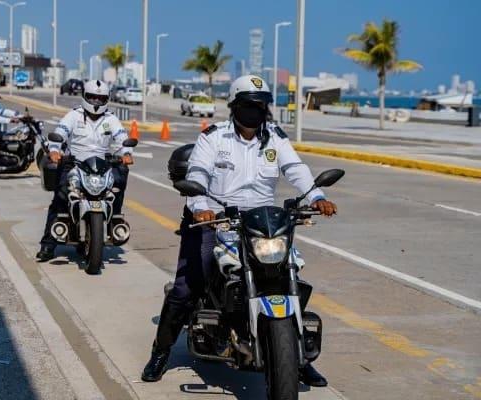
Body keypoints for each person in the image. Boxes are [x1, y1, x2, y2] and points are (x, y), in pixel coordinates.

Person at [141, 75, 338, 386]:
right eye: (249, 105)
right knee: (187, 286)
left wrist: (317, 196)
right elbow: (197, 174)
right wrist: (201, 206)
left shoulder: (274, 137)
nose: (255, 111)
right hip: (215, 218)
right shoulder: (214, 137)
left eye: (260, 105)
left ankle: (295, 357)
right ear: (235, 106)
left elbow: (295, 169)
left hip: (262, 222)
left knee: (288, 275)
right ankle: (161, 351)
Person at [36, 79, 133, 262]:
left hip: (102, 166)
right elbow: (60, 132)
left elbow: (122, 137)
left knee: (119, 178)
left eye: (100, 98)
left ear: (106, 99)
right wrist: (55, 150)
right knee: (60, 199)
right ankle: (48, 245)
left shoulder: (110, 119)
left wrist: (126, 153)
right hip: (75, 163)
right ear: (85, 97)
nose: (96, 101)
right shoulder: (74, 115)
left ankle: (115, 221)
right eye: (92, 97)